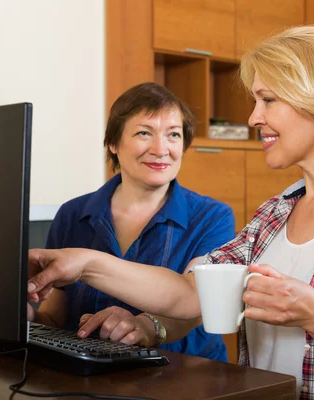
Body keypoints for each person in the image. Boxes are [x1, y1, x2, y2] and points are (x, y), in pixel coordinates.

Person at [27, 26, 314, 399]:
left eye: (267, 99)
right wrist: (84, 262)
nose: (253, 117)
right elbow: (190, 294)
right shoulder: (277, 213)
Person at [28, 82, 235, 362]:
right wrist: (28, 314)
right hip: (88, 377)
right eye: (144, 133)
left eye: (173, 135)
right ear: (113, 143)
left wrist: (146, 327)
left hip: (186, 376)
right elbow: (55, 316)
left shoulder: (213, 217)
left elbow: (197, 305)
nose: (161, 149)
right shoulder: (72, 214)